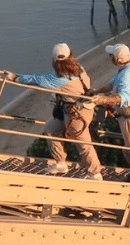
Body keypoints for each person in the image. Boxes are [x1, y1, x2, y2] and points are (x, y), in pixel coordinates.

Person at [6, 43, 102, 180]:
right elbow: (46, 78)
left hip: (76, 114)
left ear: (54, 60)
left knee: (83, 144)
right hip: (78, 109)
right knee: (51, 129)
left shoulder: (59, 79)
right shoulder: (78, 68)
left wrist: (16, 78)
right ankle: (61, 163)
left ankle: (95, 173)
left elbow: (38, 80)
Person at [89, 44, 130, 174]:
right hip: (128, 117)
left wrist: (102, 100)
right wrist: (96, 92)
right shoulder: (128, 69)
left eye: (111, 55)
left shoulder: (128, 75)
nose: (110, 57)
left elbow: (125, 98)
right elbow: (112, 84)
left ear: (117, 59)